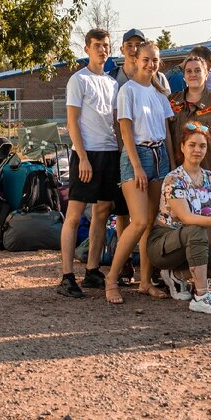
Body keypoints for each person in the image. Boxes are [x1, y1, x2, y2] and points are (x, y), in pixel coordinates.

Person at [107, 41, 175, 304]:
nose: (151, 64)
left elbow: (167, 131)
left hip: (160, 158)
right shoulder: (128, 91)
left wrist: (170, 162)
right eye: (146, 59)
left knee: (152, 223)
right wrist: (136, 166)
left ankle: (145, 281)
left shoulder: (159, 93)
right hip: (138, 155)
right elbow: (125, 130)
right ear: (136, 59)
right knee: (137, 222)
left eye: (155, 60)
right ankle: (111, 279)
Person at [148, 122, 211, 315]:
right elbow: (187, 218)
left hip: (193, 242)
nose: (197, 149)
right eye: (192, 145)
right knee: (195, 229)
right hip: (164, 243)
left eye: (202, 146)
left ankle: (176, 275)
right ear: (182, 147)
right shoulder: (174, 178)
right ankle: (202, 296)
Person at [57, 28, 117, 298]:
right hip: (86, 154)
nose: (102, 50)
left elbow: (115, 122)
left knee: (102, 213)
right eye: (97, 46)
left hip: (110, 153)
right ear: (86, 49)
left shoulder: (113, 83)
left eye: (105, 45)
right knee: (74, 215)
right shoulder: (78, 80)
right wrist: (82, 157)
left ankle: (92, 270)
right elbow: (72, 122)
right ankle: (67, 276)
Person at [167, 54, 211, 210]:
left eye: (197, 70)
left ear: (207, 73)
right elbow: (167, 136)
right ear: (183, 76)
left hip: (209, 171)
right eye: (189, 71)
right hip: (178, 172)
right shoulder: (172, 101)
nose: (193, 75)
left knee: (210, 216)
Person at [114, 28, 171, 93]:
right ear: (122, 49)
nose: (134, 49)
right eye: (129, 45)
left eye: (138, 45)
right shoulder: (112, 77)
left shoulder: (159, 78)